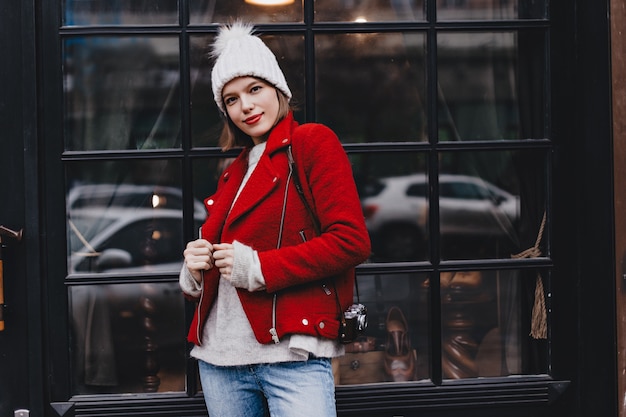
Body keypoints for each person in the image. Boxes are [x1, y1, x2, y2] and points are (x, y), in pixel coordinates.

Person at [179, 22, 371, 417]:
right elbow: (224, 263)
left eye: (254, 89)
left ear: (278, 90)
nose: (245, 106)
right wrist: (194, 270)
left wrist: (261, 267)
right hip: (219, 357)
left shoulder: (312, 142)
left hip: (291, 353)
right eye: (231, 100)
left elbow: (351, 241)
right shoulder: (233, 170)